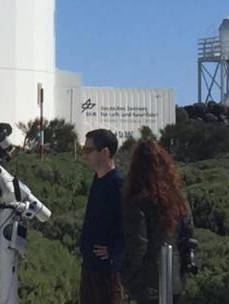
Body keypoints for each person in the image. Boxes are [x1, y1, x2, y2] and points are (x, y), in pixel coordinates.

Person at [121, 140, 193, 304]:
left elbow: (138, 246)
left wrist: (126, 277)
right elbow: (188, 235)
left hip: (147, 284)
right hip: (174, 280)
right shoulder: (178, 197)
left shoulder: (137, 201)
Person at [79, 128, 125, 304]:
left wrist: (115, 252)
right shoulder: (97, 179)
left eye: (89, 150)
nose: (85, 155)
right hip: (89, 267)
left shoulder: (118, 184)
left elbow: (130, 224)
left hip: (106, 272)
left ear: (104, 152)